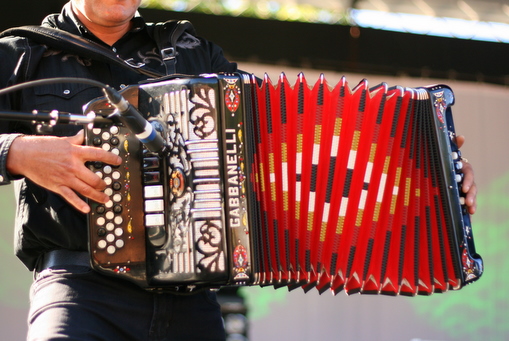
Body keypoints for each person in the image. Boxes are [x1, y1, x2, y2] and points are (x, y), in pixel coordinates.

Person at [0, 0, 478, 340]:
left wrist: (435, 171)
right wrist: (17, 151)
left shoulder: (190, 52)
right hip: (82, 291)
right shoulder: (24, 54)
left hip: (192, 304)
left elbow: (297, 138)